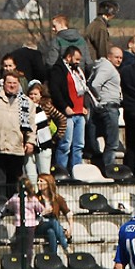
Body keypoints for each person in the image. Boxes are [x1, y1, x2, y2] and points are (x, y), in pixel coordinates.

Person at [49, 46, 88, 174]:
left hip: (79, 113)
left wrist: (84, 106)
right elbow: (56, 90)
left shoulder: (78, 71)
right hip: (67, 113)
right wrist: (65, 106)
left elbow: (83, 90)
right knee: (65, 144)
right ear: (69, 56)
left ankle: (77, 171)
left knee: (79, 145)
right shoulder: (58, 70)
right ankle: (61, 171)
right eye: (76, 59)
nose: (78, 62)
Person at [88, 46, 123, 170]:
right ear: (109, 56)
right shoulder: (107, 67)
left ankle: (103, 166)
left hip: (105, 107)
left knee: (103, 140)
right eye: (116, 57)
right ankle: (109, 168)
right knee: (112, 143)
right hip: (108, 107)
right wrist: (100, 97)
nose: (119, 60)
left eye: (121, 58)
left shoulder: (105, 66)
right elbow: (95, 84)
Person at [0, 176, 44, 263]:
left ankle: (19, 265)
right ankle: (27, 265)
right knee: (28, 247)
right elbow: (41, 209)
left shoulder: (14, 198)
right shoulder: (33, 199)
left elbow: (7, 206)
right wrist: (37, 219)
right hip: (30, 225)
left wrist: (0, 215)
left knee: (19, 246)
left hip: (19, 224)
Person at [23, 81, 54, 180]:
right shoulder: (24, 108)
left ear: (41, 95)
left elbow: (62, 119)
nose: (32, 97)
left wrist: (56, 136)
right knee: (31, 175)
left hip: (44, 145)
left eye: (35, 94)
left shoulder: (46, 107)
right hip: (29, 145)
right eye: (30, 94)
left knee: (44, 174)